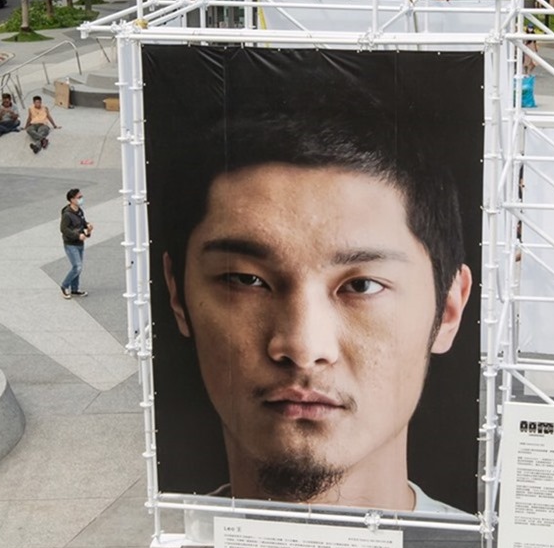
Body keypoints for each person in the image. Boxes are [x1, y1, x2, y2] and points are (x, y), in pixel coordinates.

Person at [160, 103, 474, 514]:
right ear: (178, 295)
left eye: (362, 285)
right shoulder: (166, 542)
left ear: (448, 309)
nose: (303, 348)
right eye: (245, 279)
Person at [59, 187, 92, 299]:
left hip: (79, 243)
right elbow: (64, 229)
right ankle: (64, 286)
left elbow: (82, 222)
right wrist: (77, 235)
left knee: (78, 267)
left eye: (81, 196)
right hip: (71, 244)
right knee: (77, 267)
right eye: (79, 197)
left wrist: (87, 225)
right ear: (72, 199)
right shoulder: (67, 214)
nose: (81, 199)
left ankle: (75, 289)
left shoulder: (79, 211)